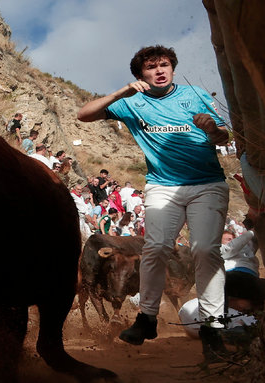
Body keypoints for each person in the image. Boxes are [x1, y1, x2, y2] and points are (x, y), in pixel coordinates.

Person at [77, 45, 230, 360]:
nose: (160, 70)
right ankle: (146, 319)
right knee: (156, 247)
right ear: (140, 76)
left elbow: (224, 138)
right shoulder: (132, 103)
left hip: (207, 184)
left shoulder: (196, 94)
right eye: (151, 67)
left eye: (164, 65)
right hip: (163, 186)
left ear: (172, 68)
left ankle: (213, 328)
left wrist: (213, 130)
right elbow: (83, 114)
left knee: (204, 250)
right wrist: (121, 92)